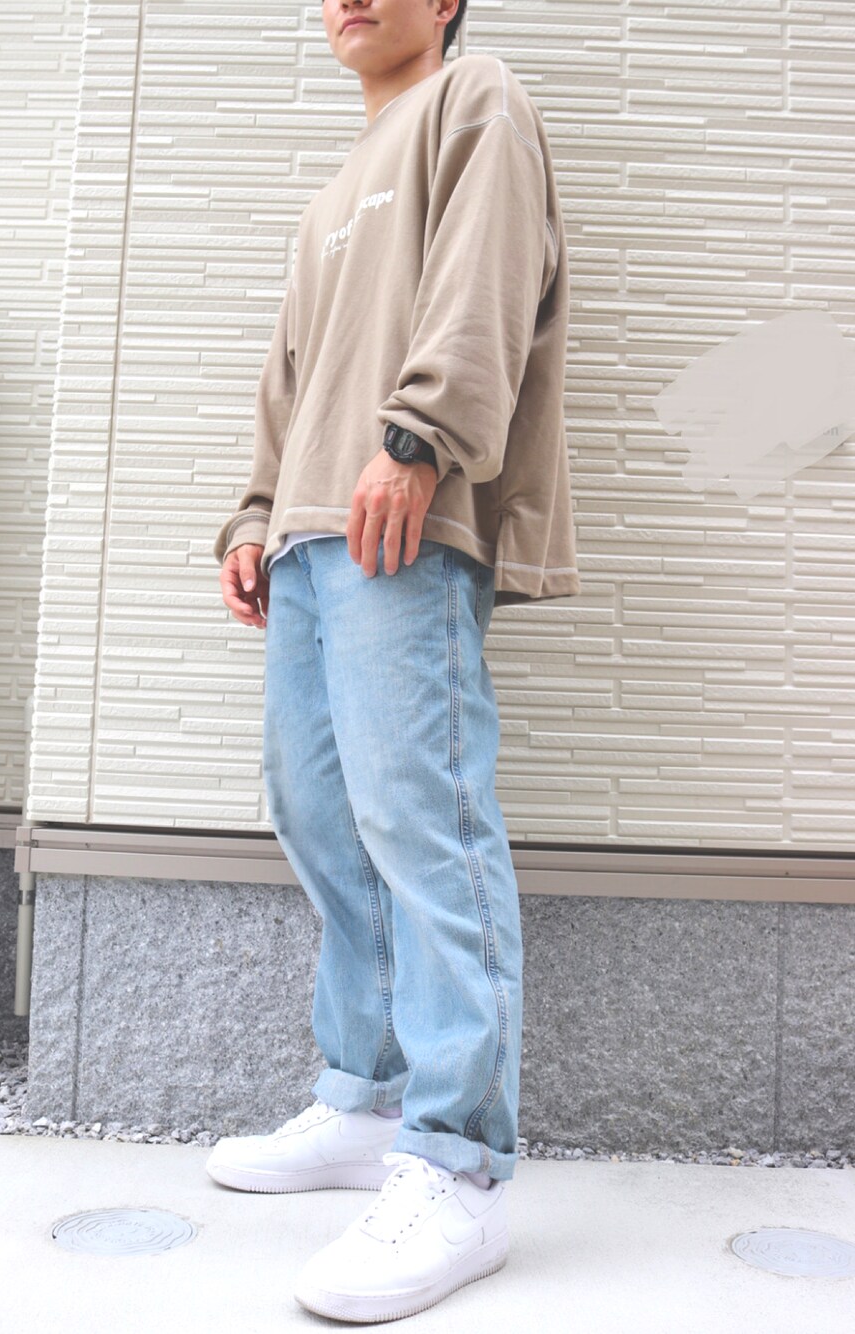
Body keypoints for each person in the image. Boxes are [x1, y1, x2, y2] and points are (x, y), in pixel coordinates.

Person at [210, 0, 580, 1321]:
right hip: (309, 535)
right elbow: (293, 378)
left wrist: (419, 441)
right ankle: (366, 1101)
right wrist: (253, 515)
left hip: (406, 518)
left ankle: (459, 1163)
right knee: (320, 811)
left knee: (425, 820)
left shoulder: (477, 100)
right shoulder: (329, 196)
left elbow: (487, 281)